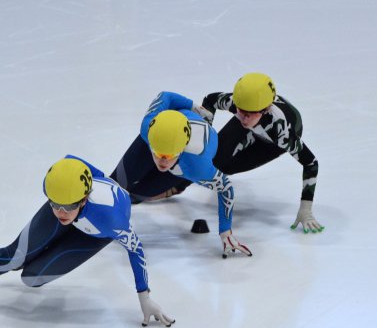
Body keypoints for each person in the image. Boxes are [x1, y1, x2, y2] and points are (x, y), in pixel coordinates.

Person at [0, 155, 174, 327]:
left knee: (32, 279)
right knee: (15, 256)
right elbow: (74, 162)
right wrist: (63, 203)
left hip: (95, 232)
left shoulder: (110, 218)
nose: (60, 213)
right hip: (83, 207)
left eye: (67, 207)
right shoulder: (64, 188)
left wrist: (144, 297)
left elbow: (135, 248)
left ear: (83, 199)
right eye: (54, 204)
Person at [135, 73, 325, 234]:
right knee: (215, 156)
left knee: (226, 168)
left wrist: (305, 209)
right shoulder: (239, 106)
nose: (241, 116)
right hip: (257, 124)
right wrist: (205, 134)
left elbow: (311, 163)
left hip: (270, 143)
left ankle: (177, 187)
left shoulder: (281, 132)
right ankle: (177, 184)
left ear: (265, 110)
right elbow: (210, 99)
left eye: (248, 114)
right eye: (239, 111)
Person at [110, 91, 252, 258]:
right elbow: (165, 96)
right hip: (165, 139)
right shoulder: (148, 128)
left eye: (169, 156)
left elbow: (226, 188)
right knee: (115, 184)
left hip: (184, 162)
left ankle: (146, 189)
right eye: (157, 153)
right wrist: (192, 105)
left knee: (138, 193)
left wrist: (225, 232)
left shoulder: (196, 165)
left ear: (181, 150)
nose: (162, 161)